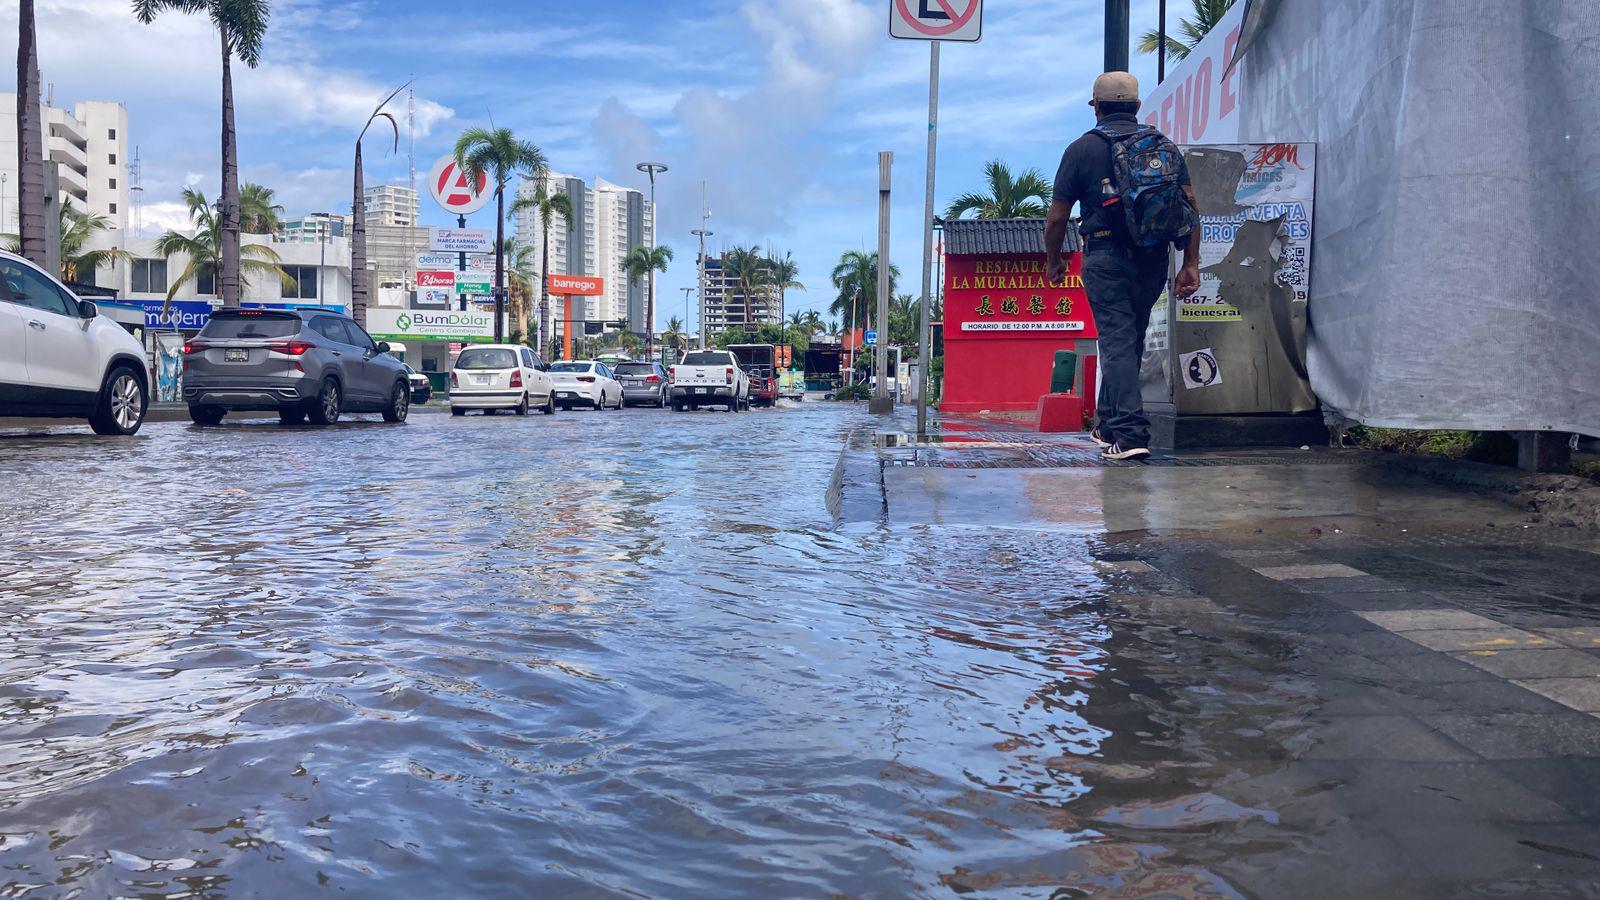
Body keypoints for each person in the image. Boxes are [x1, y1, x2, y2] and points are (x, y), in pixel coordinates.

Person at [1046, 71, 1201, 460]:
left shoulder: (1081, 150)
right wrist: (1191, 263)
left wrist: (1054, 260)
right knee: (1130, 339)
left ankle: (1131, 435)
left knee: (1116, 342)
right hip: (1153, 257)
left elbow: (1057, 218)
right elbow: (1190, 208)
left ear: (1096, 108)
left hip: (1105, 255)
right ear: (1136, 106)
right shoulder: (1162, 146)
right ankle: (1110, 425)